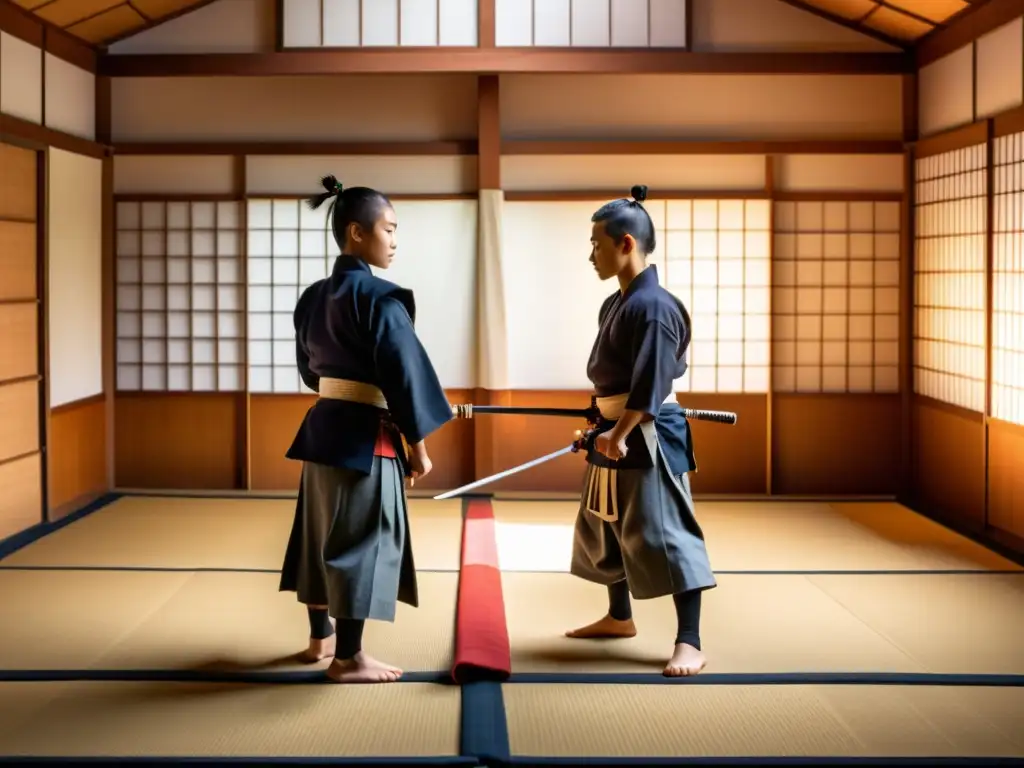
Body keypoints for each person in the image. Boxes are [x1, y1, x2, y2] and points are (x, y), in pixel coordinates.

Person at [279, 176, 453, 684]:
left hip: (321, 431)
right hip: (366, 441)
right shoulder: (381, 300)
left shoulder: (314, 297)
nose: (395, 241)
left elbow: (311, 372)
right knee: (363, 540)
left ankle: (320, 639)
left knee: (318, 536)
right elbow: (402, 378)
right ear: (357, 233)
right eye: (389, 229)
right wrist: (417, 448)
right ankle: (349, 657)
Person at [566, 184, 717, 677]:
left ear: (625, 243)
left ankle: (690, 641)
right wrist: (595, 426)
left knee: (665, 534)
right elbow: (608, 374)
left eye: (596, 243)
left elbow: (651, 380)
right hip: (615, 427)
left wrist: (620, 431)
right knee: (606, 524)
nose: (591, 254)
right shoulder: (618, 303)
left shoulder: (653, 306)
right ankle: (619, 617)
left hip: (646, 432)